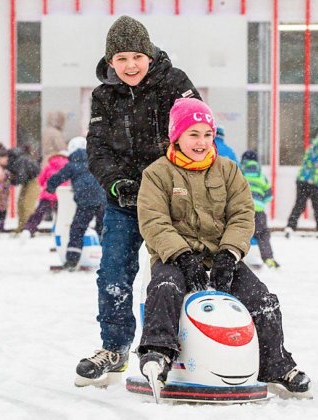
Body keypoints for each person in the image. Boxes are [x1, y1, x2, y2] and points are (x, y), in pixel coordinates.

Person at [136, 98, 311, 396]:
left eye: (208, 134)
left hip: (220, 257)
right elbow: (154, 220)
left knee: (263, 299)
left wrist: (230, 254)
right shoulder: (157, 173)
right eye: (193, 134)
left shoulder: (228, 170)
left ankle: (276, 364)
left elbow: (243, 215)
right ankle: (158, 352)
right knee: (165, 287)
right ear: (176, 136)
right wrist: (182, 255)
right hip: (174, 257)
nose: (202, 142)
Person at [75, 15, 201, 386]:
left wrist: (167, 179)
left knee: (181, 269)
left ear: (149, 55)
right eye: (121, 58)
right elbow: (97, 149)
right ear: (110, 62)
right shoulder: (103, 96)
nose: (130, 66)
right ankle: (114, 348)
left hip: (173, 197)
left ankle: (190, 346)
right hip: (124, 201)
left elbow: (195, 133)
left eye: (136, 57)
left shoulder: (175, 83)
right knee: (113, 270)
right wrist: (118, 184)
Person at [45, 137, 107, 270]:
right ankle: (109, 260)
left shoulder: (72, 165)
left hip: (85, 201)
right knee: (103, 229)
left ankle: (72, 261)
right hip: (102, 199)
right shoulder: (94, 161)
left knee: (77, 229)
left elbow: (57, 178)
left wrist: (50, 187)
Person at [284, 127, 318, 238]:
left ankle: (290, 227)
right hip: (315, 182)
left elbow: (306, 162)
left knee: (299, 204)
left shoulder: (311, 147)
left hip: (302, 180)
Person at [240, 150, 279, 268]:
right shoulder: (262, 176)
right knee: (263, 234)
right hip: (259, 211)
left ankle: (238, 257)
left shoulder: (240, 173)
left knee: (240, 232)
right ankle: (268, 258)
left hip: (243, 209)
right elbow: (269, 196)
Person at [20, 149, 69, 238]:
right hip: (60, 195)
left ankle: (29, 229)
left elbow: (41, 180)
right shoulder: (68, 166)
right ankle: (59, 232)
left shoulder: (49, 166)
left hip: (47, 194)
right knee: (61, 216)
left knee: (39, 213)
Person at [0, 143, 41, 232]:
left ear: (6, 157)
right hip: (26, 182)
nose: (0, 161)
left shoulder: (18, 160)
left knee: (27, 205)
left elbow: (21, 176)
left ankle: (29, 229)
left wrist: (10, 180)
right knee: (20, 204)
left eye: (1, 158)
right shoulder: (11, 162)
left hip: (34, 181)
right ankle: (21, 227)